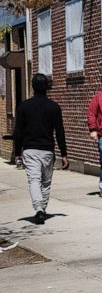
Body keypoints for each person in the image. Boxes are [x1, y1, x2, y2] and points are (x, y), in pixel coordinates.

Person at [13, 73, 69, 224]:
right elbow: (60, 132)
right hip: (47, 151)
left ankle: (39, 210)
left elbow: (18, 132)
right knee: (45, 182)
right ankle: (41, 209)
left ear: (32, 87)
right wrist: (64, 154)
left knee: (34, 180)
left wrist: (17, 153)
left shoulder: (23, 106)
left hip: (30, 150)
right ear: (47, 87)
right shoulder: (54, 107)